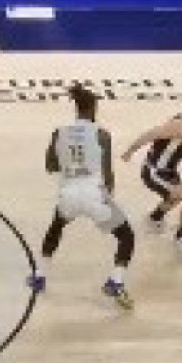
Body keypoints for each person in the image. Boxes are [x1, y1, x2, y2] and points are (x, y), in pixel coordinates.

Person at [29, 86, 136, 309]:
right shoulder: (102, 135)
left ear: (76, 108)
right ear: (94, 108)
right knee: (126, 236)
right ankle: (115, 282)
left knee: (56, 228)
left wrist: (70, 164)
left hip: (69, 194)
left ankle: (39, 276)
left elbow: (50, 166)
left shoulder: (59, 133)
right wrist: (108, 197)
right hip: (94, 194)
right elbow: (108, 173)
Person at [122, 88, 182, 263]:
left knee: (176, 197)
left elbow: (175, 144)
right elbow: (152, 134)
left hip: (168, 171)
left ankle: (154, 219)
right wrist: (130, 151)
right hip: (155, 172)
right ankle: (181, 239)